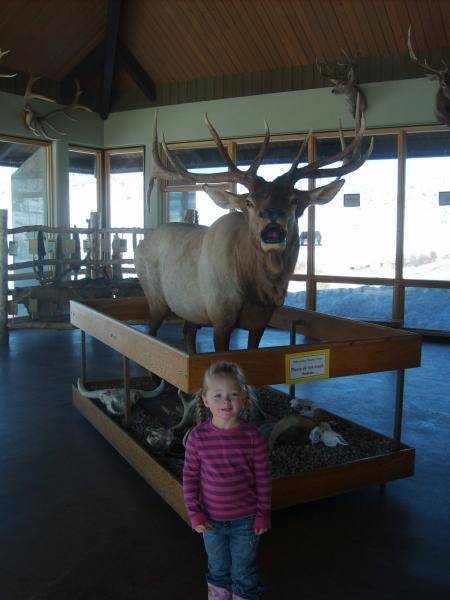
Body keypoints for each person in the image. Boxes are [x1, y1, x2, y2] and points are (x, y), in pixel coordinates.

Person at [183, 362, 271, 600]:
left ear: (243, 397)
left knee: (245, 571)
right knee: (218, 569)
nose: (226, 402)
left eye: (233, 395)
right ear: (205, 399)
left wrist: (263, 513)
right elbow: (190, 478)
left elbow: (263, 479)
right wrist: (195, 513)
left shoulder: (253, 436)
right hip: (210, 522)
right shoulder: (197, 438)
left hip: (247, 522)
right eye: (218, 395)